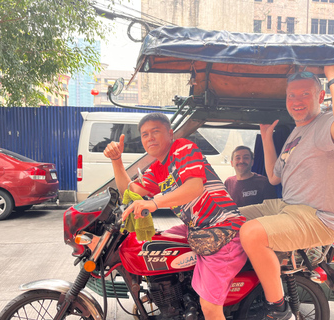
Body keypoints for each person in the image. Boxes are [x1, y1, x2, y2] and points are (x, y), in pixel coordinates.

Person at [239, 65, 334, 320]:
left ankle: (277, 307)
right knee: (228, 216)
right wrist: (265, 136)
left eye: (305, 94)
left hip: (318, 217)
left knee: (251, 234)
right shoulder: (296, 133)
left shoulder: (325, 123)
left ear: (319, 97)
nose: (296, 101)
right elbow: (274, 175)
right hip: (288, 207)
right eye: (291, 95)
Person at [103, 113, 247, 320]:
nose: (150, 138)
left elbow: (194, 187)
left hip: (223, 229)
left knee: (209, 307)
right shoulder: (158, 168)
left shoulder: (183, 148)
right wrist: (116, 160)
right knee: (156, 244)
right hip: (197, 228)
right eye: (145, 134)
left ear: (170, 134)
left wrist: (153, 203)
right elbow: (130, 189)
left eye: (155, 132)